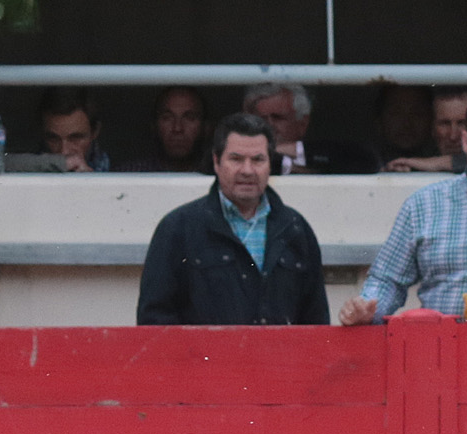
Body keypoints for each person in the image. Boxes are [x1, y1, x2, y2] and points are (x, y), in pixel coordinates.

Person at [341, 92, 467, 325]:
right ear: (466, 141)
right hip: (437, 351)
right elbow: (388, 280)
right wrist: (365, 309)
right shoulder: (424, 204)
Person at [137, 113, 328, 326]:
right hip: (206, 360)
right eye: (236, 159)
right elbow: (154, 321)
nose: (247, 170)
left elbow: (316, 322)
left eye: (258, 160)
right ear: (217, 162)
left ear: (270, 165)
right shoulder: (177, 228)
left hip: (278, 359)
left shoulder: (295, 228)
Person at [242, 83, 377, 175]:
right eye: (261, 119)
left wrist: (294, 152)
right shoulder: (238, 158)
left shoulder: (322, 154)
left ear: (302, 124)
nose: (268, 126)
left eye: (278, 118)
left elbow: (367, 162)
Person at [120, 86, 209, 174]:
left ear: (206, 127)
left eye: (189, 118)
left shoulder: (219, 176)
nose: (177, 128)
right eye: (167, 118)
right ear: (154, 126)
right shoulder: (128, 175)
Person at [384, 87, 467, 174]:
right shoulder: (412, 164)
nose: (453, 136)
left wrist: (438, 163)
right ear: (431, 126)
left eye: (462, 123)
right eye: (444, 124)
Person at [39, 87, 110, 172]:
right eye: (53, 138)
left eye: (75, 138)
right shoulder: (27, 175)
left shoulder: (124, 174)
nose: (64, 151)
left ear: (95, 132)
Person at [371, 84, 437, 167]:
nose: (407, 123)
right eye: (396, 113)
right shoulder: (364, 163)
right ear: (379, 121)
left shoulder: (445, 161)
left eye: (417, 113)